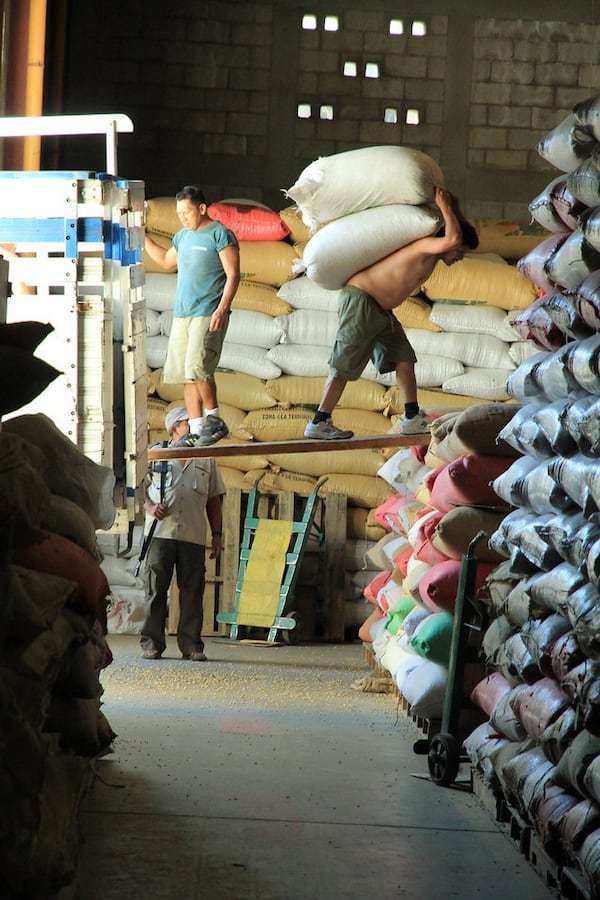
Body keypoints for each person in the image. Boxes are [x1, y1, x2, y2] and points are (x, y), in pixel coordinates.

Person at [304, 187, 479, 440]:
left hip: (380, 310)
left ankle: (410, 418)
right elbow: (452, 239)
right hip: (362, 301)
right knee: (344, 364)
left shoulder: (435, 253)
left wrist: (453, 206)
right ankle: (319, 422)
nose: (459, 256)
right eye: (461, 252)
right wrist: (445, 207)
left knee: (404, 357)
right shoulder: (425, 246)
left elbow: (455, 235)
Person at [144, 185, 240, 447]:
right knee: (186, 374)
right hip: (183, 313)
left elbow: (233, 275)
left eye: (186, 212)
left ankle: (215, 420)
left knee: (199, 367)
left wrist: (222, 308)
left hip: (207, 311)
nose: (182, 218)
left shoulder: (220, 234)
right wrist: (142, 238)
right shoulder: (183, 236)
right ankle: (196, 429)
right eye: (178, 214)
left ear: (201, 208)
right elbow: (165, 260)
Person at [139, 406, 226, 661]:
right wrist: (150, 507)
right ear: (174, 427)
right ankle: (151, 644)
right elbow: (137, 486)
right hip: (160, 534)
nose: (195, 428)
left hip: (193, 535)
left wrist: (217, 534)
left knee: (192, 592)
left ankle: (192, 646)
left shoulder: (205, 458)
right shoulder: (157, 454)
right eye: (189, 423)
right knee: (155, 590)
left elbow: (213, 499)